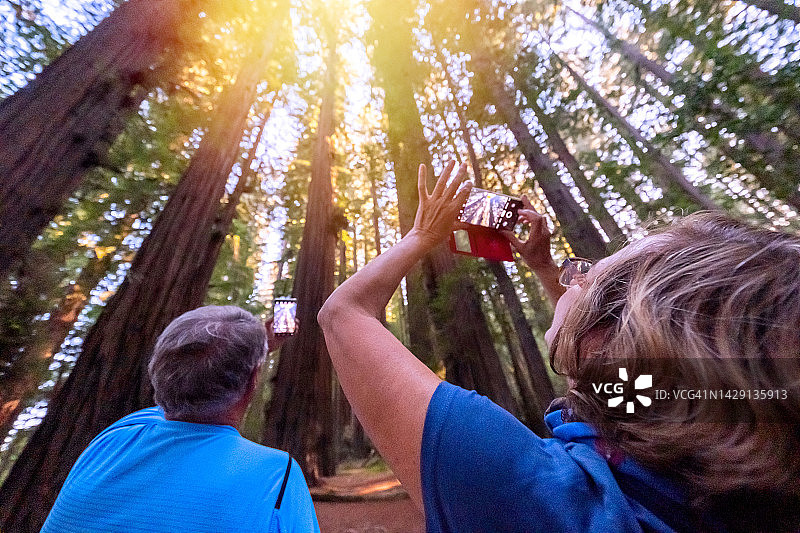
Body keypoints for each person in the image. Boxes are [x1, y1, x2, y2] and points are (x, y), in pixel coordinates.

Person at [318, 161, 800, 532]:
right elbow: (622, 376)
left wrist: (423, 236)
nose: (572, 278)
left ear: (607, 338)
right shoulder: (730, 488)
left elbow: (342, 314)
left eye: (587, 274)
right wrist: (548, 268)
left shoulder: (533, 495)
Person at [42, 305, 320, 533]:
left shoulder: (114, 438)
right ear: (252, 384)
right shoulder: (276, 474)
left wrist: (254, 348)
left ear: (158, 374)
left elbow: (189, 383)